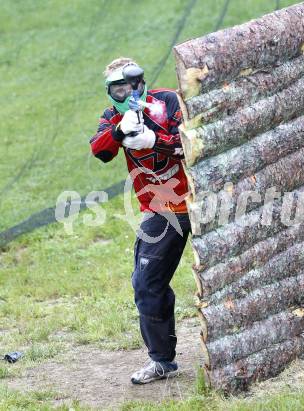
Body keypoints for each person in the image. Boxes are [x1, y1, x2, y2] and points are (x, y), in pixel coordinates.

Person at [89, 57, 191, 384]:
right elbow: (100, 151)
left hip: (203, 199)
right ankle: (162, 361)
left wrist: (153, 140)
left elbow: (192, 145)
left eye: (127, 84)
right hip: (162, 210)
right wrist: (120, 131)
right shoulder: (112, 117)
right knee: (146, 283)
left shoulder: (167, 100)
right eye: (116, 88)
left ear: (139, 81)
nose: (123, 92)